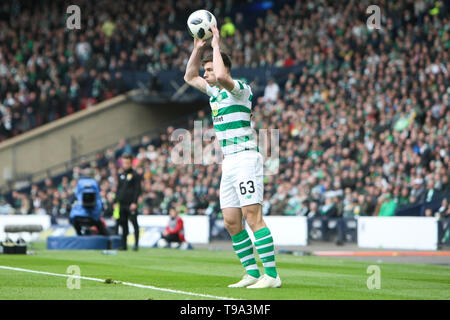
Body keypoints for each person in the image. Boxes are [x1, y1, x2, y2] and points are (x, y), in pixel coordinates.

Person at [184, 25, 281, 289]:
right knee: (231, 220)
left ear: (221, 68)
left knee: (252, 215)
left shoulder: (240, 89)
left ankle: (271, 275)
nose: (206, 74)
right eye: (206, 70)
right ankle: (251, 272)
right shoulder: (214, 93)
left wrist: (215, 42)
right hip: (229, 162)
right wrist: (197, 50)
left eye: (210, 69)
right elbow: (189, 76)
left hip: (247, 158)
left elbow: (224, 76)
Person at [69, 168, 109, 236]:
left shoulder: (79, 186)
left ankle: (79, 235)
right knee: (103, 230)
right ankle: (108, 243)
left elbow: (71, 213)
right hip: (92, 216)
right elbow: (99, 206)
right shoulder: (95, 185)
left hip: (78, 216)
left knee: (74, 221)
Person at [115, 153, 141, 251]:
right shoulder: (121, 175)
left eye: (127, 162)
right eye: (124, 162)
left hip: (131, 204)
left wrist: (134, 202)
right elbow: (119, 189)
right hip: (122, 204)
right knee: (123, 224)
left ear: (131, 163)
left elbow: (137, 190)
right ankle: (124, 245)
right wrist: (116, 201)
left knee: (134, 223)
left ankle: (136, 244)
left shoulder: (135, 175)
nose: (125, 164)